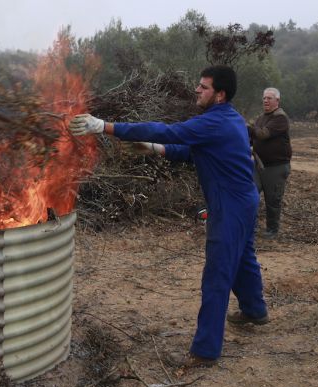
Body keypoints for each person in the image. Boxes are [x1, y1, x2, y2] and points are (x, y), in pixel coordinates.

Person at [69, 65, 268, 368]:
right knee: (243, 259)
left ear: (219, 95)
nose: (197, 90)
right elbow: (193, 152)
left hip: (230, 206)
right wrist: (156, 149)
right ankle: (255, 311)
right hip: (243, 201)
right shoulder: (229, 118)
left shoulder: (214, 122)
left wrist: (104, 126)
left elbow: (169, 130)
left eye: (204, 87)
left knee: (217, 275)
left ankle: (205, 351)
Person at [248, 87, 291, 239]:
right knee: (250, 195)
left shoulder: (280, 118)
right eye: (264, 98)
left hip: (276, 167)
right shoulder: (261, 117)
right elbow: (252, 138)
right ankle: (250, 227)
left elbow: (263, 134)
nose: (265, 100)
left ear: (277, 101)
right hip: (259, 165)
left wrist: (244, 125)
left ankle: (272, 230)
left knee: (273, 200)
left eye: (269, 98)